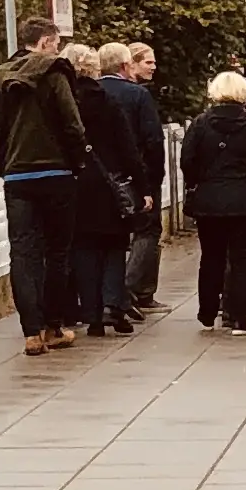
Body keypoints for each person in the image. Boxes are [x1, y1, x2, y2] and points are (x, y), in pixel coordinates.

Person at [0, 18, 98, 353]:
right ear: (44, 42)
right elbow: (73, 125)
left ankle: (31, 333)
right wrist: (75, 163)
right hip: (57, 175)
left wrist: (4, 166)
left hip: (17, 178)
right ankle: (54, 326)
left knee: (23, 253)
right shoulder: (55, 73)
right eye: (55, 43)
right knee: (58, 252)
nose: (57, 50)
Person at [176, 69, 246, 330]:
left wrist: (200, 181)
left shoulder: (200, 125)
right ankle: (238, 317)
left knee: (211, 256)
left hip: (209, 200)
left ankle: (208, 310)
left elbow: (187, 161)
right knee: (242, 258)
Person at [64, 41, 139, 337]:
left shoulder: (64, 103)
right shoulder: (109, 102)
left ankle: (92, 314)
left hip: (76, 182)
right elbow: (127, 147)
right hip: (111, 184)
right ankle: (112, 305)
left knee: (83, 249)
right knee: (114, 247)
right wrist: (141, 185)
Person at [117, 45, 169, 315]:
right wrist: (154, 176)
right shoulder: (138, 96)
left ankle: (141, 292)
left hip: (112, 174)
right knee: (148, 229)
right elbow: (153, 140)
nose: (153, 67)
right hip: (141, 173)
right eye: (148, 62)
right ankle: (134, 288)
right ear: (131, 65)